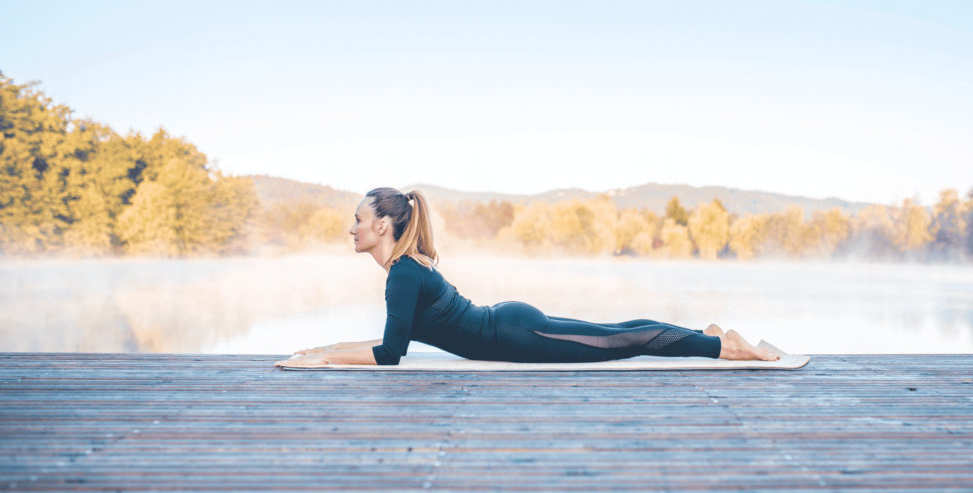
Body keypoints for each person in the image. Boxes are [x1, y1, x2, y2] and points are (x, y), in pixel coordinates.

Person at [275, 188, 778, 368]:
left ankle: (724, 348)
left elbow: (389, 355)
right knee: (614, 332)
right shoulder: (405, 270)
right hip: (511, 325)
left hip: (515, 333)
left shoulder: (402, 274)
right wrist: (325, 348)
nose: (352, 228)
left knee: (619, 341)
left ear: (382, 226)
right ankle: (705, 335)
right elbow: (394, 341)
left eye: (358, 221)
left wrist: (328, 357)